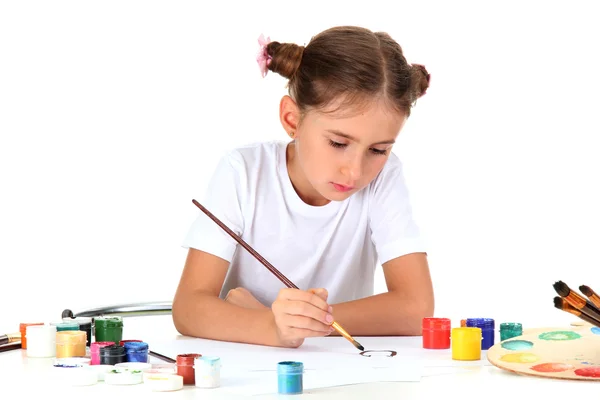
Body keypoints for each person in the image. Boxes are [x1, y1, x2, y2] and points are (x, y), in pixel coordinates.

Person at [172, 25, 434, 348]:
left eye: (378, 150)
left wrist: (298, 321)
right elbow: (188, 308)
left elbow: (417, 308)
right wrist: (271, 327)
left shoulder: (384, 178)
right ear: (292, 119)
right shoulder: (243, 173)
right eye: (338, 143)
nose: (354, 171)